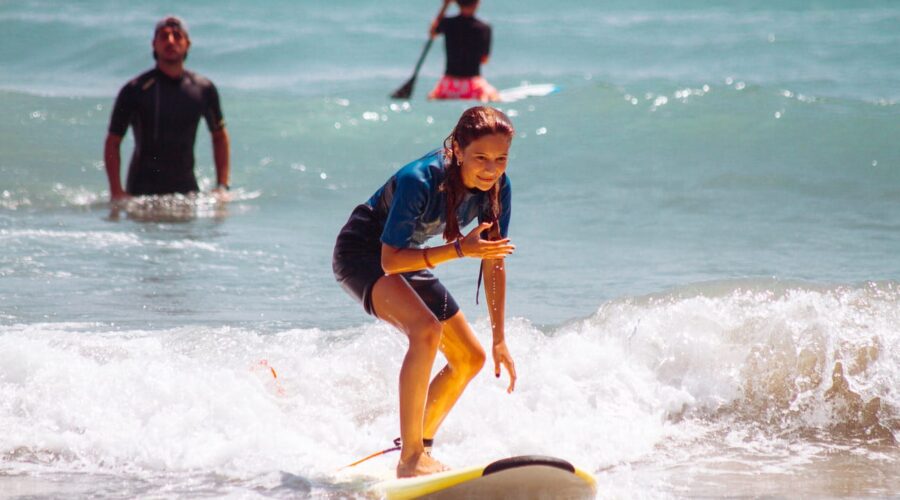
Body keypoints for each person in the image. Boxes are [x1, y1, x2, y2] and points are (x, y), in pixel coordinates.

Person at [333, 106, 517, 478]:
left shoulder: (498, 188)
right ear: (458, 150)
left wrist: (499, 338)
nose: (490, 168)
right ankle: (410, 459)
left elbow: (494, 261)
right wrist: (459, 250)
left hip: (411, 257)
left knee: (470, 357)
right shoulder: (420, 179)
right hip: (364, 254)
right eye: (480, 157)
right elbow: (388, 261)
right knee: (426, 329)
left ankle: (419, 446)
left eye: (500, 159)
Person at [104, 16, 230, 201]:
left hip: (187, 194)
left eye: (177, 36)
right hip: (141, 195)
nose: (170, 41)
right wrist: (116, 191)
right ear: (154, 44)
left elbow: (219, 136)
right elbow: (113, 142)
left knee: (188, 231)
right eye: (164, 36)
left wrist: (222, 186)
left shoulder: (203, 89)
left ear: (187, 44)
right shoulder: (135, 90)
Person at [428, 0, 500, 102]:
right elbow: (484, 60)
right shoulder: (484, 28)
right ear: (477, 3)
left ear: (457, 3)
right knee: (495, 97)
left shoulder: (448, 23)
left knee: (431, 96)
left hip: (449, 84)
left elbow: (432, 32)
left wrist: (445, 5)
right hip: (472, 85)